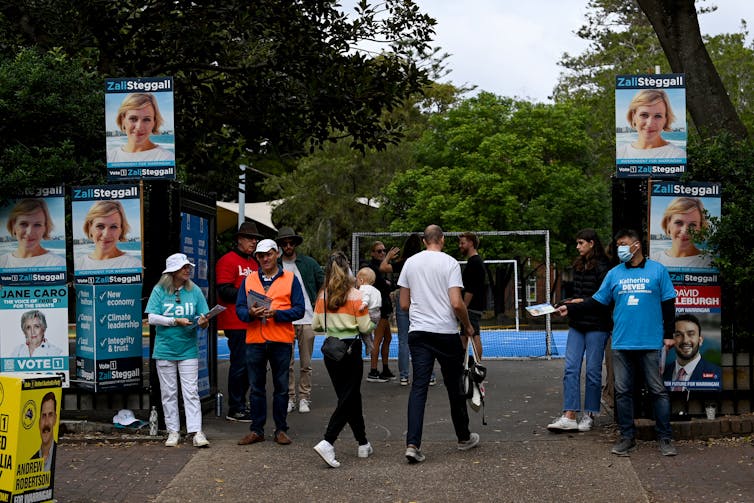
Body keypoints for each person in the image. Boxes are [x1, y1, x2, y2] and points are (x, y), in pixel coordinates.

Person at [557, 229, 678, 457]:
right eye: (618, 244)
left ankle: (665, 437)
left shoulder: (657, 271)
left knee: (657, 391)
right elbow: (596, 302)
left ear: (637, 245)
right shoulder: (614, 274)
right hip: (622, 342)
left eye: (624, 244)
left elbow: (668, 304)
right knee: (622, 392)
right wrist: (570, 307)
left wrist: (669, 334)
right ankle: (626, 437)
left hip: (650, 342)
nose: (620, 248)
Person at [398, 225, 480, 463]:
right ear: (442, 240)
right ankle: (463, 437)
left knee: (419, 388)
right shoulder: (450, 263)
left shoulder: (410, 263)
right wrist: (467, 325)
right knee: (454, 386)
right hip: (444, 332)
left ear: (424, 241)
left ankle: (413, 444)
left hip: (419, 332)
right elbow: (456, 302)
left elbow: (404, 303)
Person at [235, 239, 305, 446]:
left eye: (268, 254)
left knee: (281, 387)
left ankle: (280, 429)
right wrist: (250, 312)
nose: (265, 258)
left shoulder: (290, 278)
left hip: (280, 339)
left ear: (277, 254)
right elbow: (239, 309)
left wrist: (278, 313)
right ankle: (256, 430)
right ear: (257, 258)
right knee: (256, 388)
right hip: (255, 339)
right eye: (260, 255)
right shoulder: (249, 280)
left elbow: (299, 310)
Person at [312, 252, 376, 468]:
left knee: (349, 398)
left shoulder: (323, 296)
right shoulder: (356, 295)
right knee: (348, 398)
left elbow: (316, 326)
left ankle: (363, 442)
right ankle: (328, 440)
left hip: (331, 352)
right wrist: (373, 321)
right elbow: (366, 326)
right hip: (351, 349)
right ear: (347, 268)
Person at [547, 229, 612, 433]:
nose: (578, 246)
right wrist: (564, 305)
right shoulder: (579, 265)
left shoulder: (605, 267)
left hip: (597, 326)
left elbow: (601, 301)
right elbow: (578, 296)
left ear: (592, 243)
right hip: (577, 323)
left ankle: (590, 414)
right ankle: (569, 414)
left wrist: (574, 304)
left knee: (593, 371)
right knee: (570, 369)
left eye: (581, 243)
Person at [146, 253, 210, 448]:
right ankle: (173, 431)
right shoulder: (159, 290)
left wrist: (204, 322)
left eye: (188, 267)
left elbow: (204, 318)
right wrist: (175, 321)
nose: (188, 270)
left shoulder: (195, 290)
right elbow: (152, 318)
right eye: (184, 267)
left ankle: (196, 431)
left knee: (191, 391)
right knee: (169, 392)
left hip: (188, 349)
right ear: (173, 272)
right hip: (165, 349)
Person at [215, 222, 262, 422]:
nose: (254, 242)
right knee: (240, 364)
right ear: (239, 239)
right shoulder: (228, 260)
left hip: (252, 321)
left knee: (251, 365)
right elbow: (223, 290)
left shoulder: (254, 262)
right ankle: (235, 407)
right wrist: (251, 296)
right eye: (250, 238)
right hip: (235, 321)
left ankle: (241, 403)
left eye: (255, 239)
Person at [275, 227, 324, 414]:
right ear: (280, 245)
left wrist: (318, 301)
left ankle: (304, 397)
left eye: (291, 243)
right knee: (286, 363)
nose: (288, 246)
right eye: (284, 243)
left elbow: (324, 282)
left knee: (306, 363)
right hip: (284, 319)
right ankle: (290, 397)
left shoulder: (309, 263)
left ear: (295, 244)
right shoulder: (276, 265)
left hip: (307, 318)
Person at [381, 234, 424, 386]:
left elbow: (383, 267)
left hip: (403, 297)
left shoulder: (404, 263)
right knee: (424, 338)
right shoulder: (423, 262)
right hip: (419, 299)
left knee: (403, 340)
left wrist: (388, 256)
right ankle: (428, 375)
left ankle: (404, 376)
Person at [616, 89, 685, 159]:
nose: (650, 124)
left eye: (658, 116)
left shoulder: (677, 156)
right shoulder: (620, 153)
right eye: (644, 115)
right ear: (633, 116)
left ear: (665, 119)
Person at [74, 200, 142, 271]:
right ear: (90, 227)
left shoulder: (133, 266)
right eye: (100, 226)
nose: (106, 234)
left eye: (113, 227)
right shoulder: (78, 265)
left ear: (121, 230)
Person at [107, 93, 175, 163]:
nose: (139, 127)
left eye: (146, 120)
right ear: (123, 120)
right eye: (133, 119)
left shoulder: (166, 158)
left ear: (154, 122)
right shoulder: (110, 157)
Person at [0, 198, 65, 268]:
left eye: (37, 225)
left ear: (45, 228)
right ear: (13, 226)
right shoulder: (2, 261)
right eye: (23, 224)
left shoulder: (57, 264)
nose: (29, 232)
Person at [663, 314, 722, 390]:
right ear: (673, 340)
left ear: (700, 341)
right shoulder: (662, 374)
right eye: (678, 335)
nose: (685, 340)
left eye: (691, 334)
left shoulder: (718, 374)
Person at [654, 197, 712, 269]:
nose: (685, 231)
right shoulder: (654, 260)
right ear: (667, 224)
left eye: (692, 225)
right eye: (678, 222)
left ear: (701, 228)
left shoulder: (710, 263)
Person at [366, 241, 395, 382]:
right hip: (379, 307)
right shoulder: (372, 268)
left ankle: (385, 367)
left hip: (385, 306)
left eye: (384, 250)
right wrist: (387, 285)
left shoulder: (382, 268)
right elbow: (383, 286)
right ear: (372, 253)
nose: (382, 253)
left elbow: (390, 285)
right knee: (377, 339)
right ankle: (373, 370)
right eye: (379, 251)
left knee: (388, 338)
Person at [459, 232, 485, 359]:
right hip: (473, 307)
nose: (460, 246)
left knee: (474, 336)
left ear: (471, 243)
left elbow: (471, 289)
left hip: (471, 308)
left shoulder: (474, 263)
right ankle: (463, 366)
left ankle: (477, 367)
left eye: (463, 243)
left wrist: (463, 306)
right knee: (463, 337)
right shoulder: (474, 261)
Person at [355, 267, 382, 354]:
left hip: (369, 313)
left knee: (362, 330)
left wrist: (363, 305)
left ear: (361, 280)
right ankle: (370, 342)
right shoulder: (376, 290)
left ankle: (369, 345)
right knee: (367, 331)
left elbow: (365, 298)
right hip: (377, 314)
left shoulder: (363, 288)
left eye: (357, 280)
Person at [31, 392, 58, 472]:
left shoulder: (59, 455)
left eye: (50, 415)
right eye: (43, 416)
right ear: (39, 421)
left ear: (55, 419)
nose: (46, 423)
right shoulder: (30, 460)